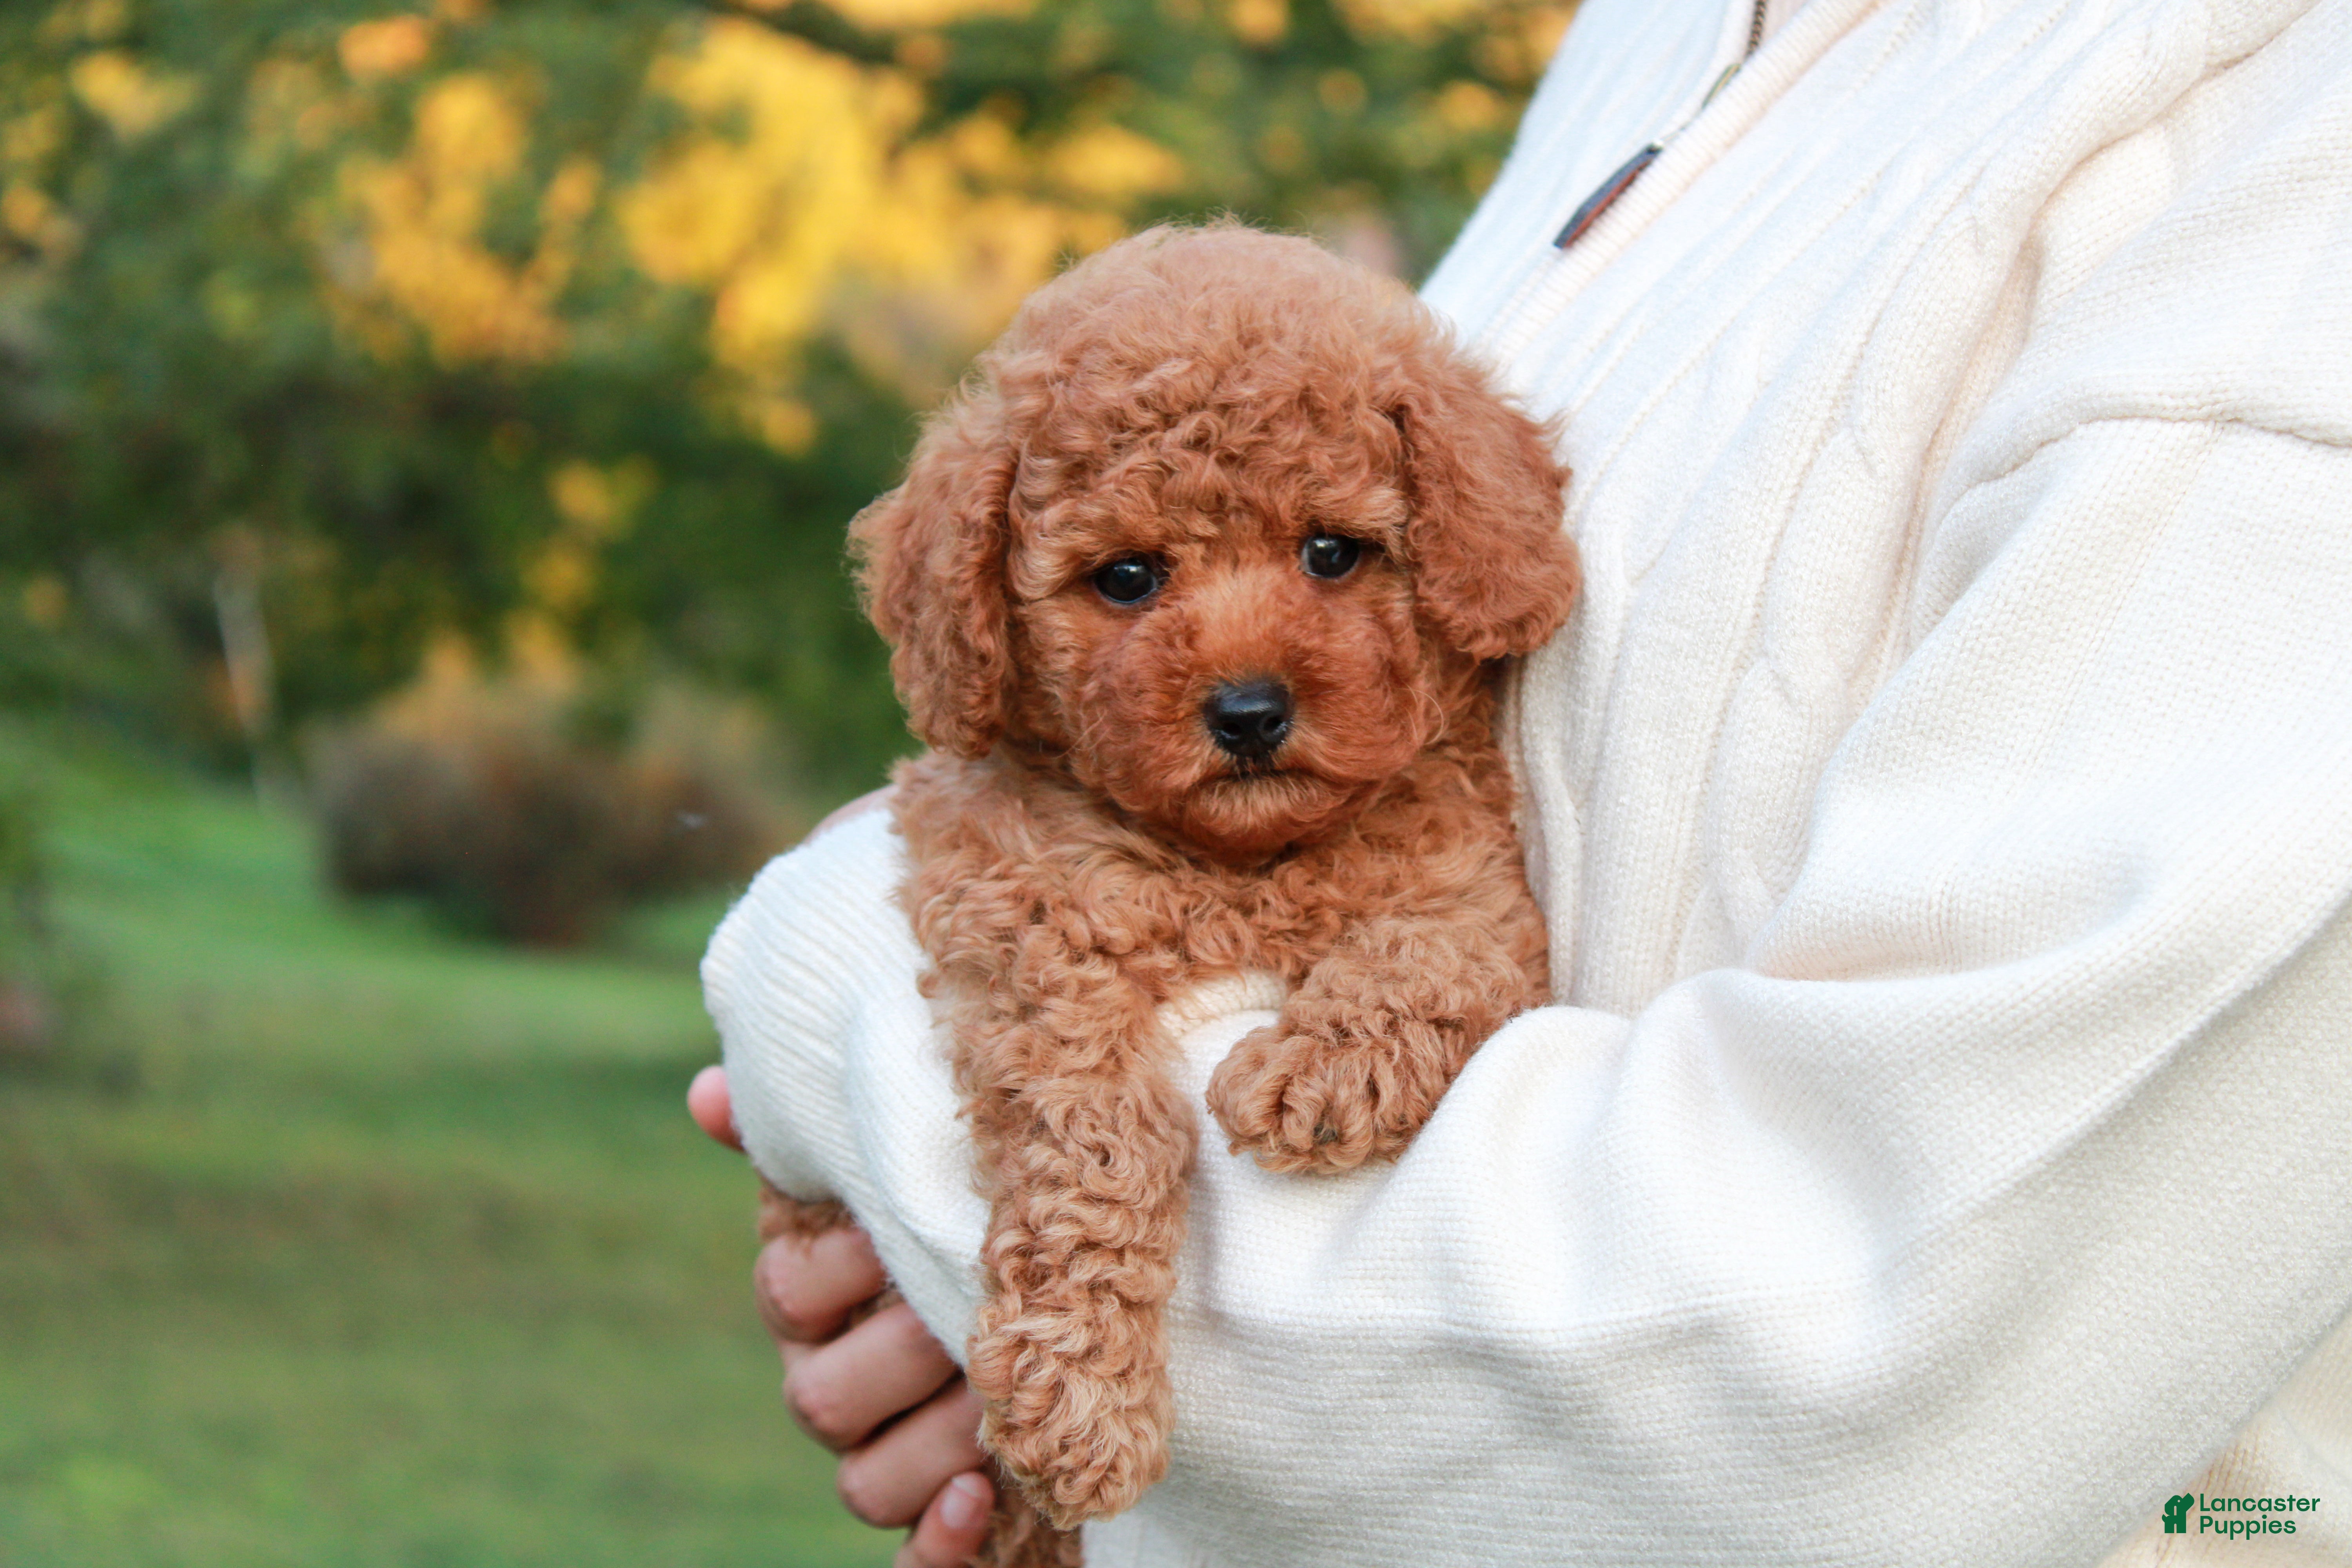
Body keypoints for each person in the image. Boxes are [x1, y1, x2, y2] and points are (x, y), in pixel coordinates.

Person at [695, 0, 2352, 1561]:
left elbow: (1871, 1362)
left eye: (1336, 554)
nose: (1245, 659)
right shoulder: (1652, 38)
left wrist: (843, 1005)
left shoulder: (2281, 172)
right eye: (1125, 582)